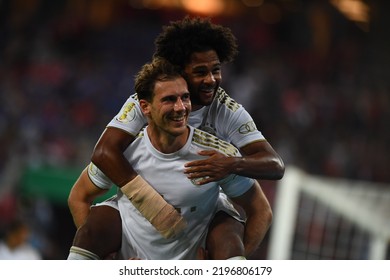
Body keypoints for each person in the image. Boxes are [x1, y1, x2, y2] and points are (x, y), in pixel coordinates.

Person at [68, 16, 284, 259]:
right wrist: (152, 206)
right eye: (201, 72)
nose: (211, 79)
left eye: (216, 70)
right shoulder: (144, 102)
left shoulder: (226, 110)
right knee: (97, 225)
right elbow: (104, 153)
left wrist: (230, 164)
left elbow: (275, 167)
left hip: (201, 210)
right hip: (141, 223)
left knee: (228, 230)